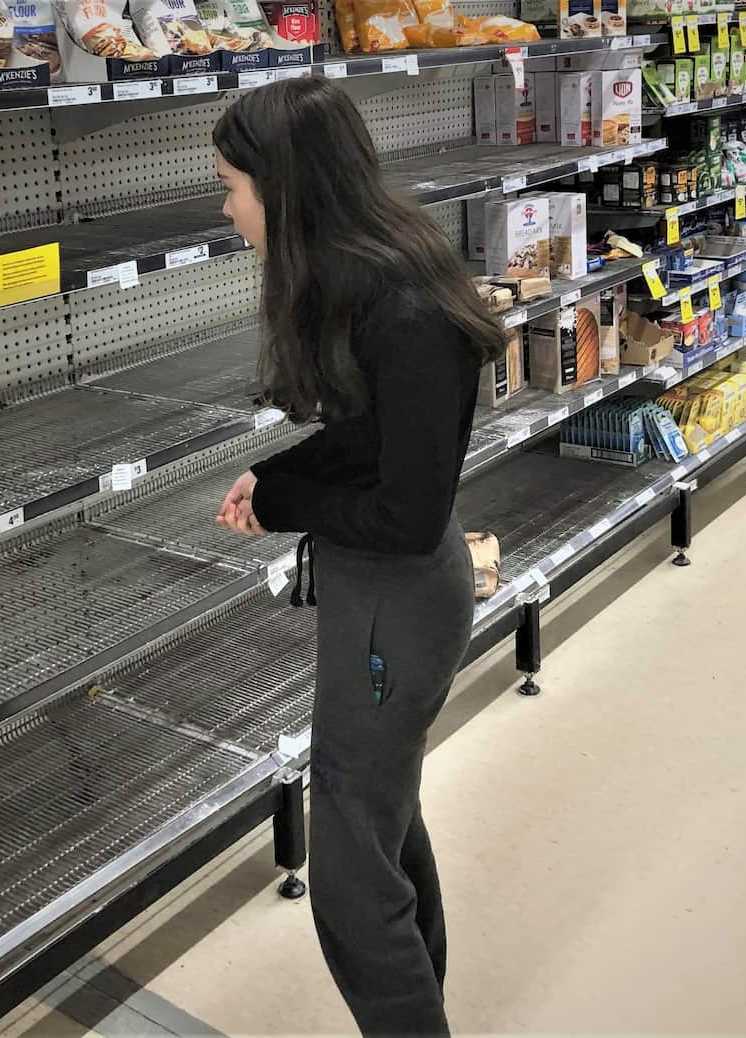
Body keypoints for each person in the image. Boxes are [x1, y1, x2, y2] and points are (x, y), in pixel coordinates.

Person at [211, 77, 505, 1038]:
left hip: (399, 601)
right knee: (381, 821)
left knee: (345, 868)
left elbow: (409, 515)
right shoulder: (374, 280)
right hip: (374, 597)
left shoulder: (405, 312)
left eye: (232, 186)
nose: (227, 209)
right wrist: (279, 473)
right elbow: (374, 434)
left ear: (287, 194)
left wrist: (293, 500)